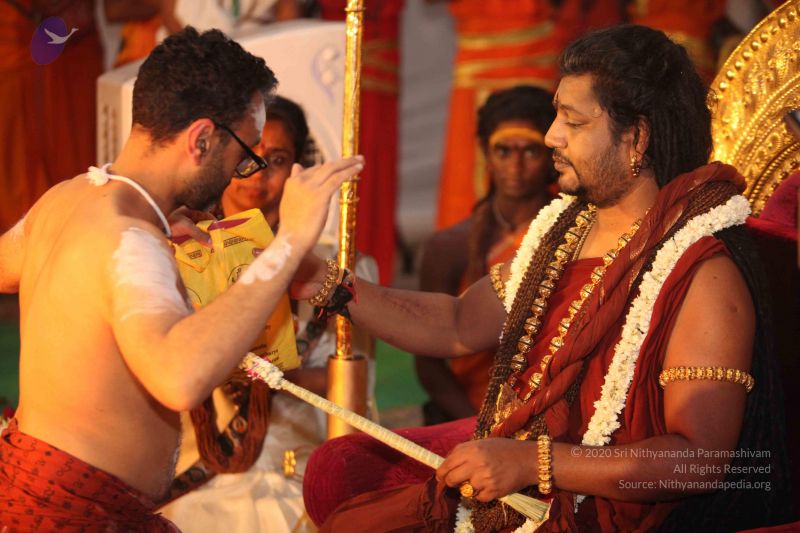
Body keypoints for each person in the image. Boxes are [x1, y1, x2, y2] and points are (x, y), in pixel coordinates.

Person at [298, 24, 790, 532]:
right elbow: (457, 323)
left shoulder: (701, 271)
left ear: (636, 138)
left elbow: (701, 461)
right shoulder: (566, 232)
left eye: (572, 121)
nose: (551, 135)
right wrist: (324, 284)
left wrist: (536, 462)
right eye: (557, 115)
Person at [0, 27, 362, 531]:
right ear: (202, 139)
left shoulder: (68, 199)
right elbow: (179, 379)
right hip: (73, 515)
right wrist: (290, 243)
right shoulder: (130, 238)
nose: (244, 171)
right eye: (245, 154)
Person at [415, 85, 555, 425]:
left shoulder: (576, 232)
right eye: (503, 151)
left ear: (552, 155)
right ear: (485, 154)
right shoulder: (450, 245)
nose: (515, 166)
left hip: (553, 411)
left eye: (531, 151)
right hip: (469, 416)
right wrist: (478, 427)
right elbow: (427, 358)